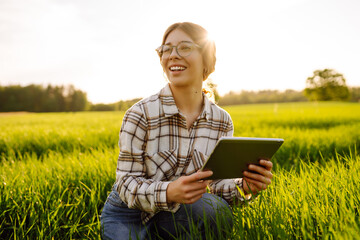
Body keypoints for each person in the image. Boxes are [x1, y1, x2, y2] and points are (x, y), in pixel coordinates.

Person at [100, 22, 273, 240]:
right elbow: (126, 184)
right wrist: (169, 191)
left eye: (184, 47)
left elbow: (216, 184)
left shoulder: (221, 121)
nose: (172, 55)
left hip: (178, 209)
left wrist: (244, 187)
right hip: (129, 212)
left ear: (206, 60)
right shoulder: (140, 113)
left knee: (216, 212)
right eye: (166, 49)